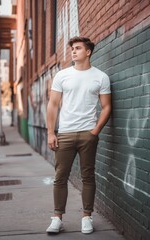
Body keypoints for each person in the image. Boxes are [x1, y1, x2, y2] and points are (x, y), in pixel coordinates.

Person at [46, 36, 111, 234]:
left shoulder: (101, 77)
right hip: (65, 133)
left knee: (88, 176)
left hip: (88, 134)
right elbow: (53, 104)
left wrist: (95, 131)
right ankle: (57, 218)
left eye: (78, 48)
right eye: (72, 48)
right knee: (60, 177)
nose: (73, 51)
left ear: (88, 52)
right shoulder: (62, 75)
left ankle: (86, 217)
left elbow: (107, 106)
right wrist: (51, 132)